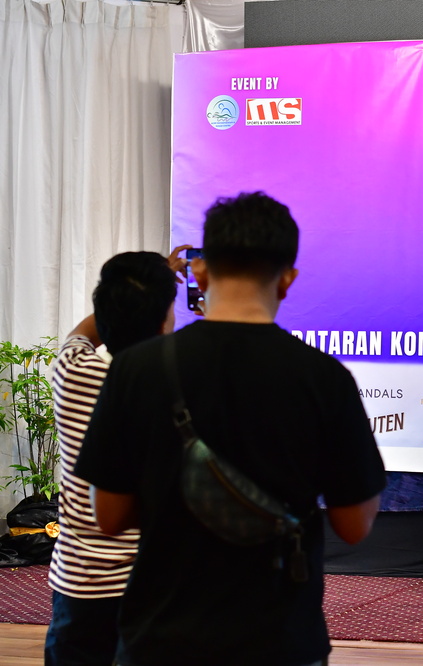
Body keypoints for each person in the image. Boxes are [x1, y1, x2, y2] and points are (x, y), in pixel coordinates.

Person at [74, 192, 385, 666]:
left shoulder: (136, 369)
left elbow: (110, 516)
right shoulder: (325, 377)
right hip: (281, 639)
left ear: (199, 272)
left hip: (161, 636)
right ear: (288, 279)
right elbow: (355, 525)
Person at [45, 248, 187, 666]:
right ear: (163, 321)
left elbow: (84, 333)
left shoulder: (72, 371)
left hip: (79, 583)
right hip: (153, 584)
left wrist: (139, 290)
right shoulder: (175, 387)